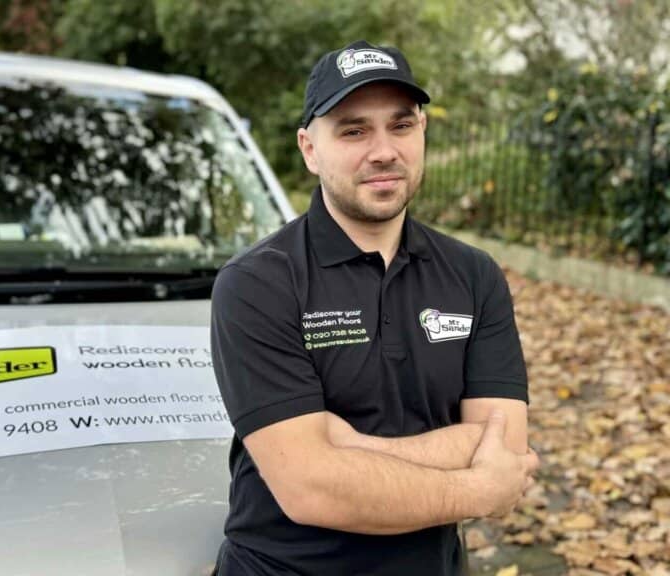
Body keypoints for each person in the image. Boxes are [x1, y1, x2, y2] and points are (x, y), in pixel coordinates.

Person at [210, 40, 539, 575]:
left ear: (422, 132)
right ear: (309, 149)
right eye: (354, 129)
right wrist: (477, 488)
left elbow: (504, 442)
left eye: (401, 125)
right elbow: (311, 489)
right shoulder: (257, 283)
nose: (383, 150)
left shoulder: (474, 275)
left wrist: (349, 447)